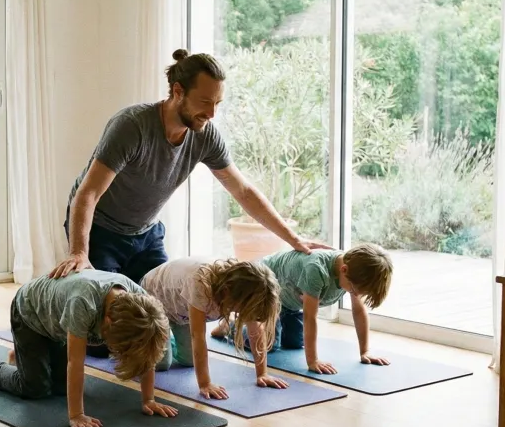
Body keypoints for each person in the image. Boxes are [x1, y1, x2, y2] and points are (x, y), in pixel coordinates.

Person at [51, 49, 330, 287]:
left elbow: (243, 191)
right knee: (100, 333)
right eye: (205, 102)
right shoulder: (132, 126)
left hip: (145, 234)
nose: (211, 114)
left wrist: (294, 239)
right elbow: (87, 193)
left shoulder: (205, 135)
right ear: (178, 92)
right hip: (102, 231)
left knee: (160, 316)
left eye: (217, 103)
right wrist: (78, 252)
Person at [0, 270, 176, 427]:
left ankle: (22, 360)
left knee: (59, 388)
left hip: (57, 323)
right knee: (36, 389)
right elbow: (75, 362)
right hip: (30, 314)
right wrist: (77, 415)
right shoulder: (83, 304)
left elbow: (146, 350)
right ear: (109, 322)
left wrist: (148, 399)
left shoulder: (141, 304)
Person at [214, 243, 394, 378]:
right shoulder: (316, 270)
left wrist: (365, 351)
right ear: (344, 270)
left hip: (290, 302)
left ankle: (274, 324)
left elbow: (358, 311)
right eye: (354, 291)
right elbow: (310, 318)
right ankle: (231, 326)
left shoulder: (353, 273)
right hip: (266, 295)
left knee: (295, 342)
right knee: (269, 345)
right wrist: (312, 361)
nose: (355, 294)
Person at [140, 257, 283, 398]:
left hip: (182, 313)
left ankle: (166, 340)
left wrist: (262, 373)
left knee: (189, 361)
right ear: (229, 293)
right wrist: (205, 383)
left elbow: (256, 330)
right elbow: (198, 335)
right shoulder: (201, 285)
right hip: (154, 302)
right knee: (161, 364)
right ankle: (143, 340)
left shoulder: (243, 289)